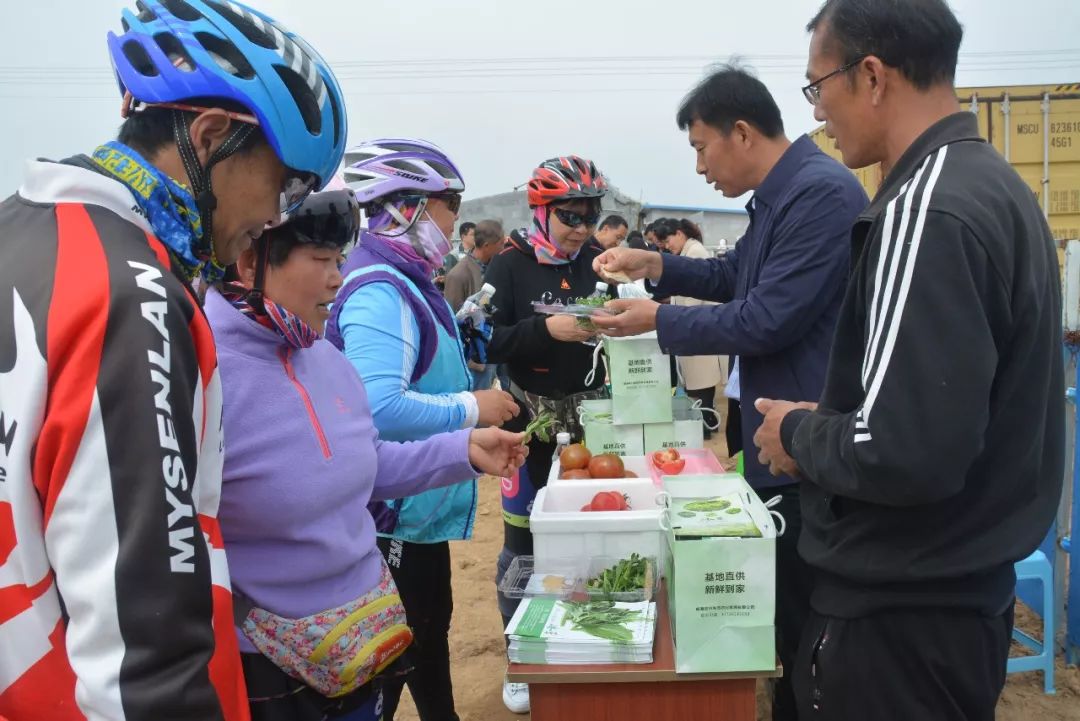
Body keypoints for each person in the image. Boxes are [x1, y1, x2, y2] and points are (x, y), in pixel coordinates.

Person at [0, 1, 346, 718]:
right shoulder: (133, 294)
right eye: (284, 184)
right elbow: (144, 647)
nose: (275, 217)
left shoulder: (21, 228)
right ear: (211, 136)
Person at [752, 1, 1064, 719]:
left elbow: (903, 451)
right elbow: (937, 415)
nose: (819, 111)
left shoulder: (925, 210)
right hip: (958, 601)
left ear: (871, 76)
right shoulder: (993, 186)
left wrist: (797, 434)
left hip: (899, 617)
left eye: (816, 85)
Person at [589, 65, 867, 721]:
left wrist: (657, 320)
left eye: (700, 146)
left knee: (808, 623)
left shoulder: (820, 195)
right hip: (778, 443)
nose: (699, 166)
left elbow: (767, 317)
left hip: (809, 453)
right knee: (788, 618)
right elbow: (732, 274)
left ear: (741, 132)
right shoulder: (780, 196)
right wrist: (654, 265)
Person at [207, 189, 526, 721]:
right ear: (249, 262)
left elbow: (365, 464)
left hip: (358, 642)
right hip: (267, 663)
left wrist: (462, 450)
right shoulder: (203, 372)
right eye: (321, 261)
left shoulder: (325, 358)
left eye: (339, 260)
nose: (338, 278)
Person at [327, 138, 519, 721]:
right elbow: (379, 406)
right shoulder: (380, 287)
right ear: (404, 207)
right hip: (392, 517)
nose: (452, 223)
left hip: (416, 505)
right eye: (447, 208)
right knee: (394, 655)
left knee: (429, 637)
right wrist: (471, 407)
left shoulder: (400, 276)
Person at [484, 154, 612, 714]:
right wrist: (546, 330)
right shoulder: (508, 265)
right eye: (569, 215)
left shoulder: (598, 264)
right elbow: (483, 341)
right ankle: (520, 656)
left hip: (591, 422)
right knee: (523, 540)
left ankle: (588, 640)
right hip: (525, 425)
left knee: (593, 534)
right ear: (540, 211)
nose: (581, 228)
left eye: (589, 215)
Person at [650, 218, 726, 439]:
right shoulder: (687, 252)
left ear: (680, 234)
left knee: (701, 382)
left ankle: (706, 424)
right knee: (697, 382)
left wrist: (670, 315)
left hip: (698, 328)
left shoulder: (696, 253)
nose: (667, 246)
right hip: (692, 326)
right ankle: (704, 423)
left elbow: (694, 299)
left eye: (668, 240)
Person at [444, 219, 505, 390]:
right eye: (501, 244)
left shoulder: (496, 267)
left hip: (499, 347)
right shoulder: (458, 275)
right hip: (477, 357)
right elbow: (451, 321)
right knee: (479, 404)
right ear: (487, 245)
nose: (503, 248)